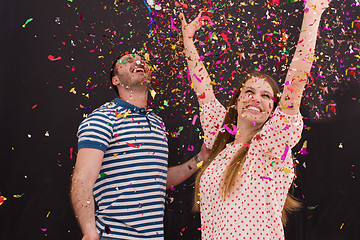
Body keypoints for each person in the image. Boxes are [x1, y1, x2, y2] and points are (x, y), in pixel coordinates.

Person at [179, 0, 330, 239]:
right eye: (249, 92)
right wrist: (188, 40)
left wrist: (313, 12)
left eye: (266, 95)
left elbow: (297, 79)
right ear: (237, 101)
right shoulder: (221, 136)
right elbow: (203, 88)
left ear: (273, 110)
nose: (255, 98)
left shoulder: (272, 143)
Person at [70, 52, 210, 240]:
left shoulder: (157, 123)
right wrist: (89, 232)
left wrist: (200, 159)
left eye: (142, 60)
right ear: (115, 80)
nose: (138, 61)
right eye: (127, 61)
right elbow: (82, 179)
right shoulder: (102, 118)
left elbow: (157, 179)